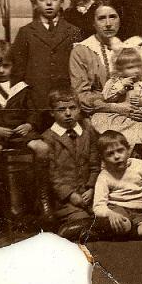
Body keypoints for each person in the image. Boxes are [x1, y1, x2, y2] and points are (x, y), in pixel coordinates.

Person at [69, 0, 142, 160]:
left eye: (112, 17)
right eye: (101, 18)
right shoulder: (81, 51)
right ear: (93, 23)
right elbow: (82, 97)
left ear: (120, 19)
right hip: (100, 113)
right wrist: (116, 107)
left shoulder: (131, 48)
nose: (108, 23)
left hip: (136, 112)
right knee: (120, 141)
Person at [0, 41, 53, 226]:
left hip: (20, 132)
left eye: (5, 65)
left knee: (42, 148)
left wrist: (29, 125)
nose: (1, 71)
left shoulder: (22, 88)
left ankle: (43, 198)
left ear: (13, 65)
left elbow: (33, 111)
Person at [10, 0, 81, 124]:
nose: (49, 3)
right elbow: (17, 73)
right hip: (36, 103)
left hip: (65, 104)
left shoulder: (74, 31)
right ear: (35, 4)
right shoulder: (26, 32)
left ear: (62, 2)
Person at [42, 88, 100, 240]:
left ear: (79, 109)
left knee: (108, 214)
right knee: (82, 218)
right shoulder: (48, 138)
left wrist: (91, 187)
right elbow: (52, 175)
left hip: (90, 196)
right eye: (61, 109)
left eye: (72, 108)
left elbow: (95, 164)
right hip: (66, 201)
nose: (68, 113)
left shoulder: (87, 133)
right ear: (51, 113)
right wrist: (70, 194)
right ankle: (69, 230)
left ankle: (86, 228)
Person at [92, 130, 142, 240]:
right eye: (110, 154)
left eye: (120, 151)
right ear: (103, 158)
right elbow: (98, 206)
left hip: (138, 212)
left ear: (128, 149)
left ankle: (125, 234)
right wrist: (110, 214)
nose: (116, 156)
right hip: (117, 210)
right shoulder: (104, 175)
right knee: (123, 224)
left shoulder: (141, 166)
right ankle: (119, 230)